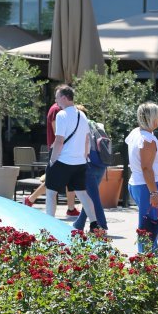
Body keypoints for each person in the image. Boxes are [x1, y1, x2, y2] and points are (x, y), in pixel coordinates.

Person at [44, 85, 98, 222]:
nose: (56, 101)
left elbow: (59, 140)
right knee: (83, 194)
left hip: (63, 161)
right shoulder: (82, 114)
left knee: (51, 193)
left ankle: (49, 225)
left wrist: (52, 161)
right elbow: (87, 139)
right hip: (80, 162)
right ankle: (94, 224)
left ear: (63, 97)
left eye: (57, 97)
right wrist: (84, 157)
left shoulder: (61, 115)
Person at [23, 102, 80, 216]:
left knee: (69, 179)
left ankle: (71, 208)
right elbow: (57, 133)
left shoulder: (60, 110)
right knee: (51, 181)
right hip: (59, 150)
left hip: (62, 150)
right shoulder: (56, 110)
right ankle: (30, 199)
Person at [126, 102, 158, 251]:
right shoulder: (147, 140)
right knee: (149, 228)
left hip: (140, 184)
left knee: (148, 226)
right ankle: (147, 263)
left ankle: (148, 259)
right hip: (150, 185)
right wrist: (154, 192)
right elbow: (146, 168)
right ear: (152, 118)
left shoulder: (137, 133)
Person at [72, 107, 109, 232]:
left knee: (93, 197)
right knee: (90, 196)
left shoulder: (81, 127)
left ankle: (101, 225)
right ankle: (79, 223)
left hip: (89, 165)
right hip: (101, 164)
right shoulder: (97, 125)